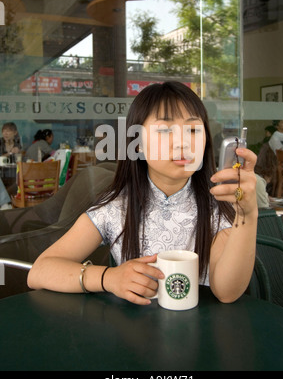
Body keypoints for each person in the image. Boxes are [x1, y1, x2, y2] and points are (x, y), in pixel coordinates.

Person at [28, 82, 258, 305]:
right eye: (165, 129)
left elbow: (227, 293)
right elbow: (39, 271)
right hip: (134, 335)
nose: (183, 142)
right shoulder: (115, 208)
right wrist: (109, 278)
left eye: (193, 129)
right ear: (137, 143)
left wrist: (248, 215)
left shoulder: (217, 206)